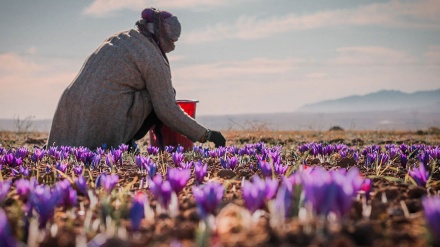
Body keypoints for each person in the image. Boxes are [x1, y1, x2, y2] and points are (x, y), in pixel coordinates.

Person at [47, 7, 226, 149]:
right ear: (158, 31)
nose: (174, 42)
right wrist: (206, 134)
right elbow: (166, 109)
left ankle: (111, 144)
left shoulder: (121, 38)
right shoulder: (152, 56)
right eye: (172, 35)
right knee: (164, 95)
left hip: (67, 115)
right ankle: (127, 144)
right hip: (102, 116)